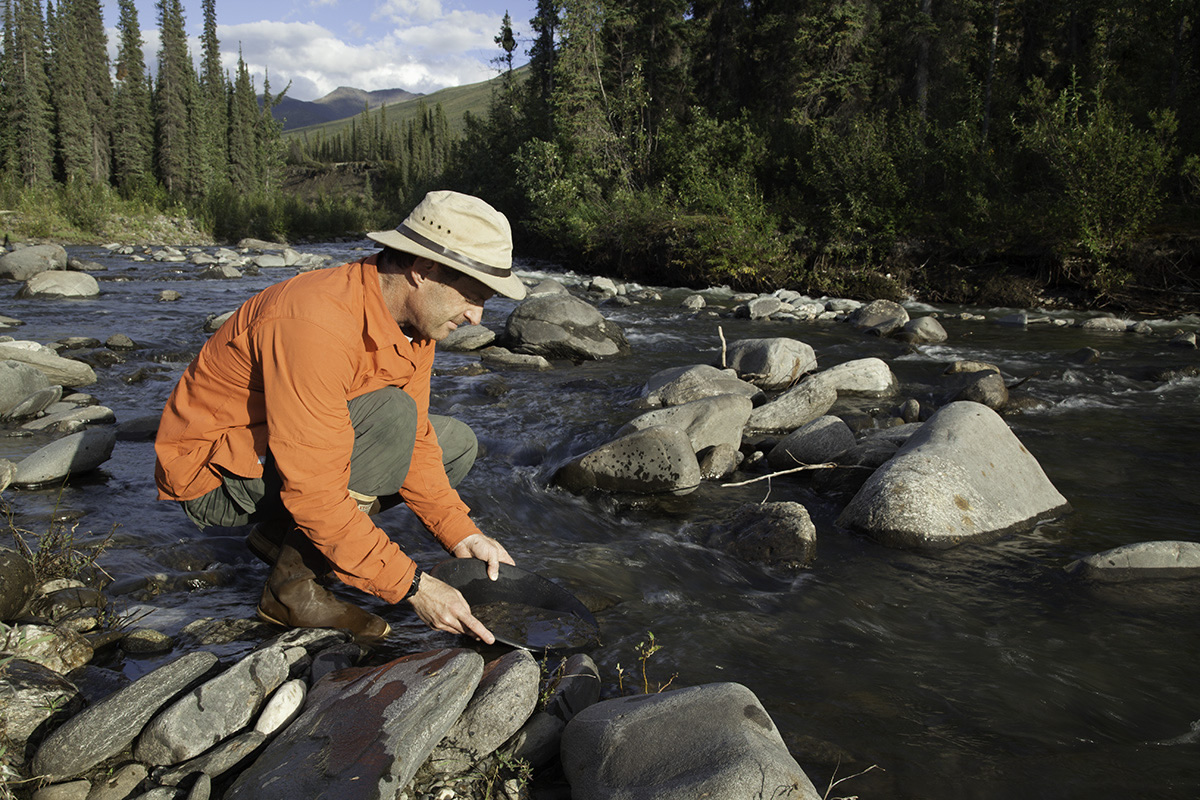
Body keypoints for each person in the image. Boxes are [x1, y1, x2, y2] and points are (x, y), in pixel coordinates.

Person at [154, 190, 526, 643]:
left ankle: (279, 539)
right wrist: (413, 586)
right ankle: (291, 593)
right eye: (472, 295)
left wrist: (462, 535)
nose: (476, 316)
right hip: (214, 478)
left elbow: (420, 443)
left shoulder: (415, 327)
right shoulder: (316, 322)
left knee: (453, 442)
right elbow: (316, 488)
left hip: (283, 453)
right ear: (423, 270)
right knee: (390, 417)